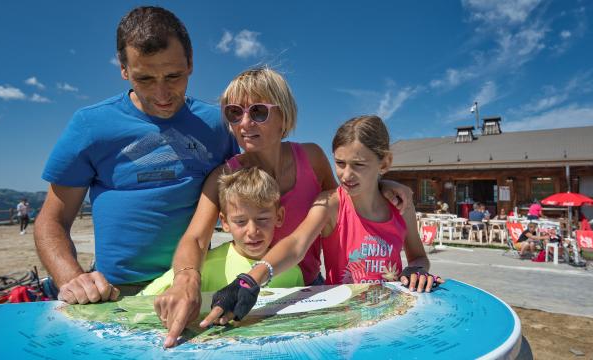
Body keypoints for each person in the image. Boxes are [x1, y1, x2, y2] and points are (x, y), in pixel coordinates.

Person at [154, 68, 412, 348]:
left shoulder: (312, 158)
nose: (244, 122)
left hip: (311, 286)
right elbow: (196, 237)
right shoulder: (224, 176)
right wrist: (185, 278)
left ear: (284, 116)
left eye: (258, 112)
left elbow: (344, 197)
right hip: (251, 287)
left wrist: (382, 184)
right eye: (234, 113)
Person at [34, 6, 239, 304]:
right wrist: (72, 279)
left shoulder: (218, 124)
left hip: (195, 282)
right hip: (117, 292)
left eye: (173, 76)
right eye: (144, 79)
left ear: (191, 63)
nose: (162, 93)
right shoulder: (90, 125)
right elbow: (51, 220)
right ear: (124, 69)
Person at [199, 115, 442, 329]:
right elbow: (295, 245)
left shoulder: (401, 206)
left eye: (358, 165)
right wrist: (251, 279)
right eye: (340, 163)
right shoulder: (330, 204)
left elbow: (418, 256)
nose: (346, 175)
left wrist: (416, 270)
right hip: (343, 317)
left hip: (391, 315)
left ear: (385, 163)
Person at [139, 167, 303, 296]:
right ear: (225, 222)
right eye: (240, 221)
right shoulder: (204, 267)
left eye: (262, 219)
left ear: (279, 217)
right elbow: (143, 300)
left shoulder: (291, 269)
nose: (252, 231)